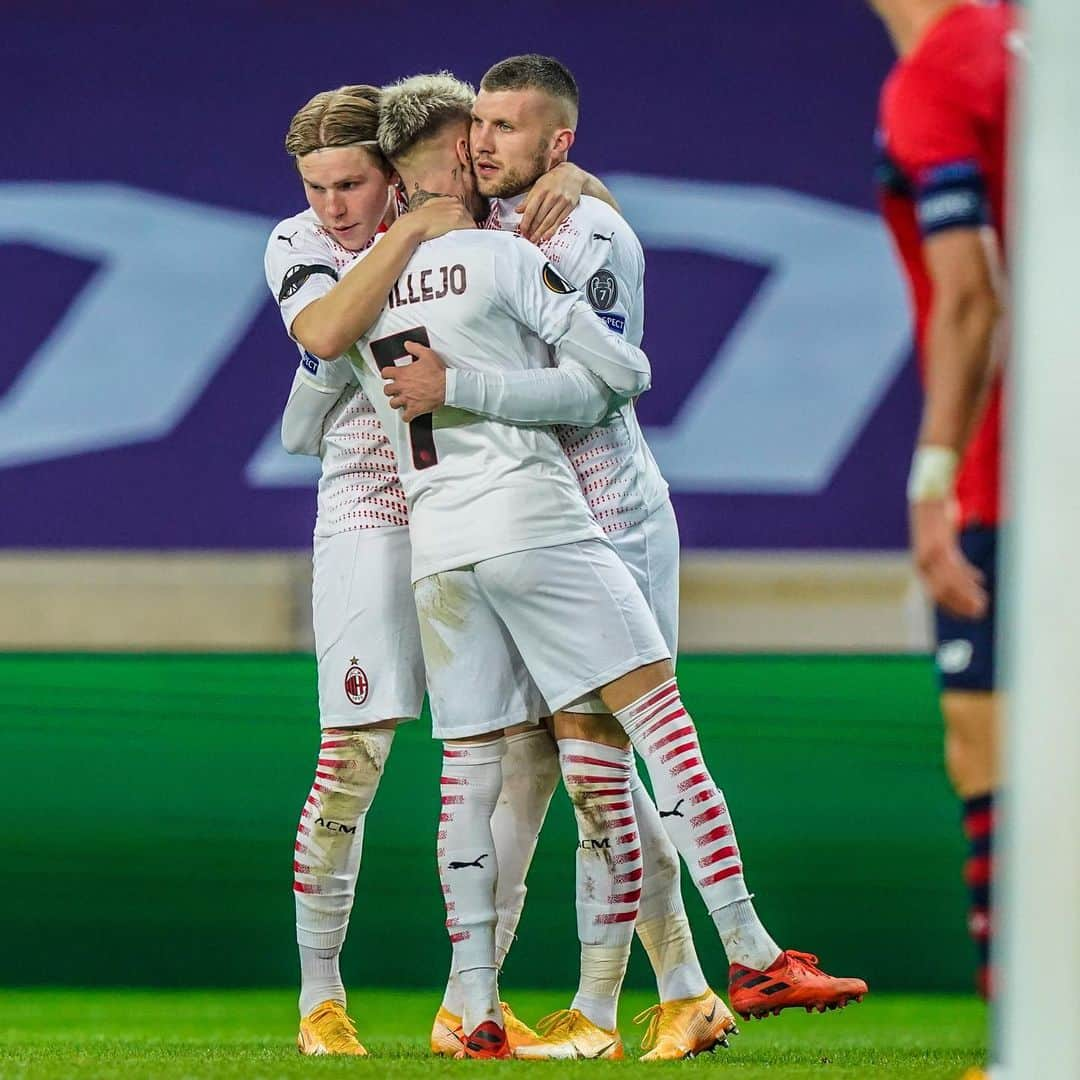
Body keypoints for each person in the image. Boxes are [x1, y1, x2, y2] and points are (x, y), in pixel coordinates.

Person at [355, 71, 867, 1060]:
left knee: (601, 756)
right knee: (583, 770)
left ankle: (632, 991)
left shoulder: (577, 231)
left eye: (506, 128)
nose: (486, 146)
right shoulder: (494, 234)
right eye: (479, 128)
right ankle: (665, 992)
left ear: (553, 141)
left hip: (602, 519)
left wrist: (459, 376)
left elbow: (605, 388)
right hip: (526, 524)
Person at [264, 84, 596, 1057]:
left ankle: (469, 998)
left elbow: (549, 197)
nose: (332, 205)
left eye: (352, 183)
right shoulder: (299, 244)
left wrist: (569, 179)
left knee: (530, 744)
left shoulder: (465, 217)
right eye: (316, 186)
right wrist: (409, 237)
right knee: (356, 750)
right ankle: (321, 996)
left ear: (393, 172)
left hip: (477, 488)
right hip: (372, 490)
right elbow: (325, 330)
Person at [870, 0, 1015, 1001]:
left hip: (1011, 470)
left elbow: (973, 297)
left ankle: (1030, 1033)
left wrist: (933, 483)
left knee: (986, 738)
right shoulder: (1030, 47)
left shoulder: (934, 76)